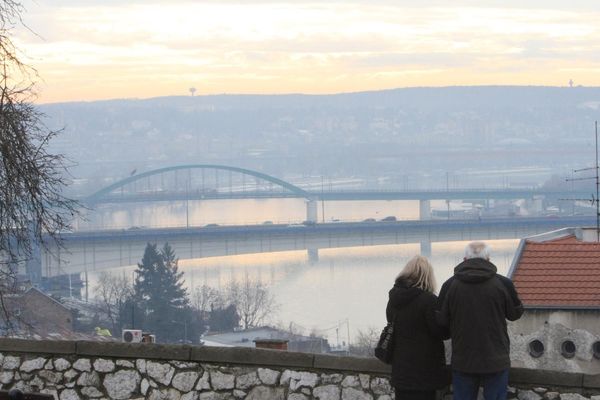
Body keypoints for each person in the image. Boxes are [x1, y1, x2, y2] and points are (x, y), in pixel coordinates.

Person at [437, 241, 524, 400]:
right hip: (496, 358)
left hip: (463, 359)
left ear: (465, 259)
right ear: (488, 259)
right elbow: (515, 314)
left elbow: (441, 321)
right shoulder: (503, 283)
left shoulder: (450, 285)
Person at [386, 255, 449, 400]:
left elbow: (391, 323)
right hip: (424, 373)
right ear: (427, 276)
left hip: (400, 370)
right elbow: (440, 332)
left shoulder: (393, 300)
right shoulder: (429, 301)